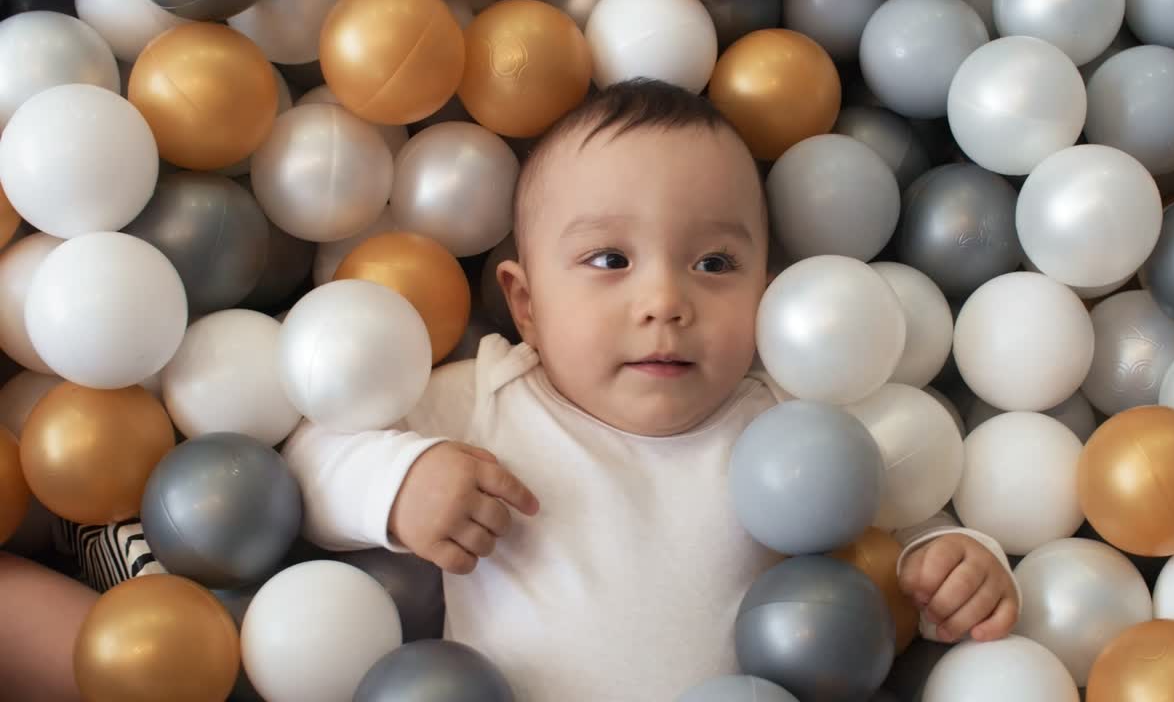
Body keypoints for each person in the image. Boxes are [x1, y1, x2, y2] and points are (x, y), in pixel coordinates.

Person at [283, 79, 1020, 700]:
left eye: (715, 264)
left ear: (768, 293)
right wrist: (400, 484)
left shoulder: (790, 425)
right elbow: (310, 457)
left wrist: (955, 559)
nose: (665, 300)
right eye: (610, 259)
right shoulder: (487, 400)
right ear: (527, 304)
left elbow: (903, 519)